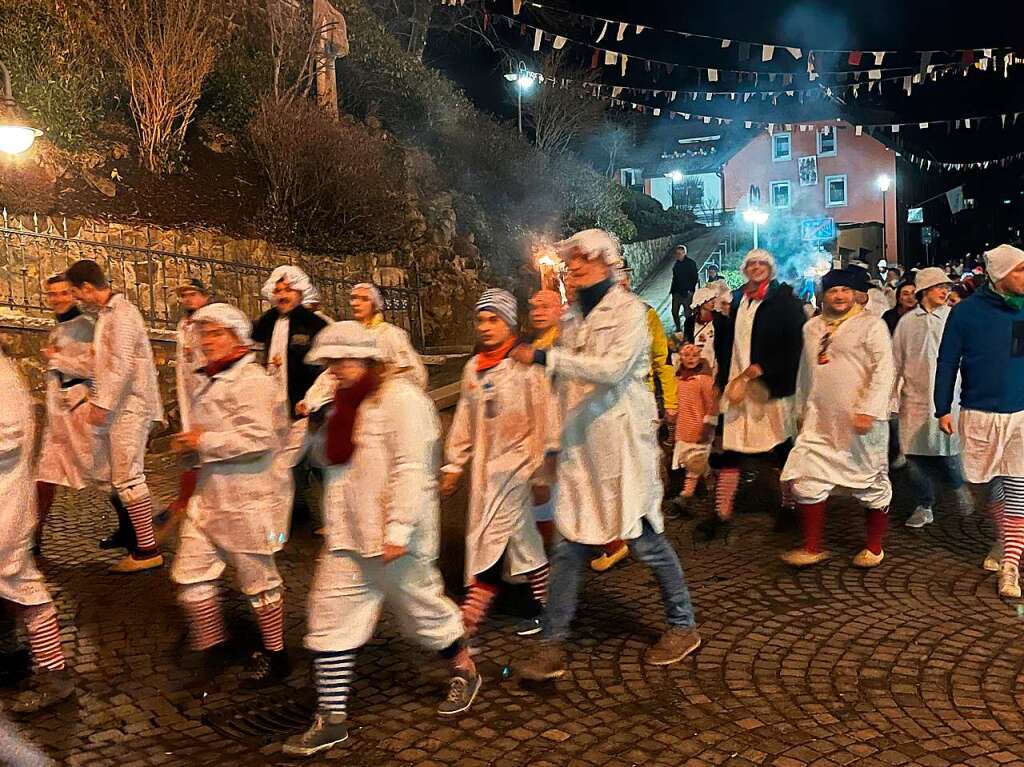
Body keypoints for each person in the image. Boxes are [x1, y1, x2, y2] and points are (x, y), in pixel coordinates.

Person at [510, 229, 701, 680]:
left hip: (621, 448)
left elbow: (612, 370)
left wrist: (546, 359)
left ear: (606, 263)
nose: (573, 268)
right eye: (570, 260)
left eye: (582, 260)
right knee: (568, 547)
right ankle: (552, 643)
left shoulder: (632, 313)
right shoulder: (572, 321)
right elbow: (565, 390)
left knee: (645, 541)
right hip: (582, 450)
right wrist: (553, 445)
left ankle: (683, 624)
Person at [283, 323, 479, 757]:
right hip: (349, 534)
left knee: (424, 616)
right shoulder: (343, 404)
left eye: (346, 361)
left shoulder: (404, 402)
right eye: (332, 364)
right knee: (328, 619)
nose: (338, 370)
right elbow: (328, 461)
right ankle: (332, 719)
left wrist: (398, 530)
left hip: (397, 542)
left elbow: (411, 468)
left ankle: (463, 667)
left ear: (371, 360)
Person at [169, 303, 291, 687]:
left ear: (237, 338)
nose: (206, 341)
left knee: (259, 579)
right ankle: (213, 647)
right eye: (203, 333)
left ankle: (276, 654)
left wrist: (203, 442)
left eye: (215, 333)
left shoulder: (253, 381)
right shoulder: (210, 377)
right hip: (210, 496)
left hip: (247, 498)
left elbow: (260, 438)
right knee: (190, 574)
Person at [441, 289, 551, 639]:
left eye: (494, 320)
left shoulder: (527, 368)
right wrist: (454, 465)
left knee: (488, 539)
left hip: (519, 469)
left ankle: (468, 620)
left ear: (510, 323)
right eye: (481, 320)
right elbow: (464, 420)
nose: (486, 327)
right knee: (523, 542)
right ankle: (543, 606)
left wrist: (542, 472)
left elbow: (546, 419)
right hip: (487, 473)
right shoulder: (473, 368)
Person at [780, 269, 896, 567]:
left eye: (844, 290)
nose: (839, 296)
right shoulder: (812, 328)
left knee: (869, 482)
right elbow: (806, 372)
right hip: (820, 422)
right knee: (806, 479)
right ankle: (812, 545)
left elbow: (885, 370)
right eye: (833, 291)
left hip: (860, 421)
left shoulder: (871, 326)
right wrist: (800, 410)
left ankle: (874, 546)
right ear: (823, 295)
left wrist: (869, 409)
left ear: (855, 293)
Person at [936, 244, 1024, 598]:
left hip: (1020, 414)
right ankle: (1003, 540)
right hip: (979, 414)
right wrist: (942, 406)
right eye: (1020, 270)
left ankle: (1010, 566)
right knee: (990, 484)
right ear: (999, 275)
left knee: (1018, 489)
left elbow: (1020, 357)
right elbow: (947, 361)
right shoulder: (966, 313)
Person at [65, 259, 164, 573]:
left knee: (127, 476)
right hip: (117, 407)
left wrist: (102, 404)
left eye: (76, 293)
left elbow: (120, 365)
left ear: (88, 288)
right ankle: (149, 520)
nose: (76, 299)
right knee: (107, 473)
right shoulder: (108, 315)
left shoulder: (122, 315)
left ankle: (148, 550)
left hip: (130, 406)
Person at [0, 346, 75, 714]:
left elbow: (9, 439)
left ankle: (54, 673)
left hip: (5, 508)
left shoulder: (2, 378)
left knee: (21, 584)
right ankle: (9, 657)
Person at [591, 264, 678, 573]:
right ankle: (621, 533)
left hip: (641, 400)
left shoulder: (646, 315)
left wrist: (670, 402)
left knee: (642, 465)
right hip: (605, 407)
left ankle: (642, 527)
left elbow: (662, 361)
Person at [710, 249, 805, 528]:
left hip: (769, 387)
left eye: (762, 263)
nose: (757, 267)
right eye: (752, 263)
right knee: (732, 447)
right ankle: (721, 509)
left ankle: (790, 503)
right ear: (744, 269)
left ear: (771, 269)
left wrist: (761, 368)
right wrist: (722, 380)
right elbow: (726, 345)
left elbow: (795, 346)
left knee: (781, 446)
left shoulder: (784, 301)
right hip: (738, 386)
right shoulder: (737, 300)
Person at [251, 265, 329, 539]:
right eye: (279, 290)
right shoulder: (268, 321)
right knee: (293, 465)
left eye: (288, 290)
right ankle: (307, 516)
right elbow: (248, 344)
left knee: (293, 466)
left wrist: (318, 405)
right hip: (275, 406)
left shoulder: (315, 325)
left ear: (300, 291)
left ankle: (279, 531)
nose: (283, 295)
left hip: (305, 407)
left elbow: (327, 370)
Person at [893, 268, 972, 528]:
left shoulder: (954, 318)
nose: (944, 291)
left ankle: (958, 485)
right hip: (914, 399)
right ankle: (924, 504)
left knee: (949, 452)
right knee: (914, 456)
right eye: (938, 286)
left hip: (948, 398)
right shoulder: (907, 323)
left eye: (946, 287)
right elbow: (896, 361)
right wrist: (891, 396)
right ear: (924, 291)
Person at [34, 274, 94, 556]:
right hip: (60, 415)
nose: (57, 299)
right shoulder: (61, 327)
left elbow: (93, 368)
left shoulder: (85, 326)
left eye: (63, 294)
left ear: (74, 294)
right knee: (45, 474)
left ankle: (142, 525)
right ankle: (33, 534)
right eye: (52, 294)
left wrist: (56, 359)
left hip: (79, 412)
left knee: (102, 474)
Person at [154, 278, 212, 542]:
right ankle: (185, 500)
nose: (188, 299)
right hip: (189, 396)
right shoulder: (183, 325)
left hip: (207, 394)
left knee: (204, 452)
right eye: (185, 295)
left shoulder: (211, 324)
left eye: (193, 294)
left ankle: (184, 502)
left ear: (204, 296)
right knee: (193, 452)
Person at [528, 289, 563, 548]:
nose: (538, 313)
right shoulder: (533, 344)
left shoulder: (563, 343)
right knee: (543, 490)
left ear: (559, 309)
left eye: (545, 307)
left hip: (562, 429)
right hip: (540, 429)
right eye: (535, 308)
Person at [672, 343, 718, 506]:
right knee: (689, 460)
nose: (690, 359)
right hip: (684, 427)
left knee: (695, 460)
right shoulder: (678, 379)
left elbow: (712, 403)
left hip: (700, 427)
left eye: (694, 356)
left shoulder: (704, 380)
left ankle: (687, 494)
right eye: (686, 356)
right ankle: (710, 479)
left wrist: (708, 425)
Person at [683, 286, 720, 378]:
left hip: (714, 365)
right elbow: (687, 341)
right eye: (709, 300)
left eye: (713, 299)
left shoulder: (719, 320)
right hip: (696, 364)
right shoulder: (690, 321)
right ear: (701, 303)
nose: (712, 302)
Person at [670, 244, 698, 332]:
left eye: (679, 253)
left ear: (684, 253)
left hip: (687, 293)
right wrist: (673, 290)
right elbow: (675, 278)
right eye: (676, 253)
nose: (677, 255)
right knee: (674, 312)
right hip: (676, 292)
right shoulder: (676, 264)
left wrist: (691, 290)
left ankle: (688, 330)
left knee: (688, 314)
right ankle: (678, 328)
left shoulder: (691, 263)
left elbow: (695, 278)